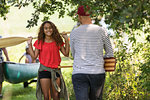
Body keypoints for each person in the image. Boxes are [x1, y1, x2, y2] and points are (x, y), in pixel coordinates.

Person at [70, 5, 114, 100]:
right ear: (91, 15)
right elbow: (110, 52)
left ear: (79, 16)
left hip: (79, 72)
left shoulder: (74, 32)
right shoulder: (101, 30)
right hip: (97, 72)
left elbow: (73, 54)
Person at [27, 21, 69, 100]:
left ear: (53, 29)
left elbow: (66, 54)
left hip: (55, 70)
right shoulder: (39, 42)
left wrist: (66, 40)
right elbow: (34, 56)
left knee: (56, 95)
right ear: (43, 30)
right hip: (44, 70)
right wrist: (29, 44)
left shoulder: (57, 41)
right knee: (46, 96)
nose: (48, 30)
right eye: (46, 28)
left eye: (50, 28)